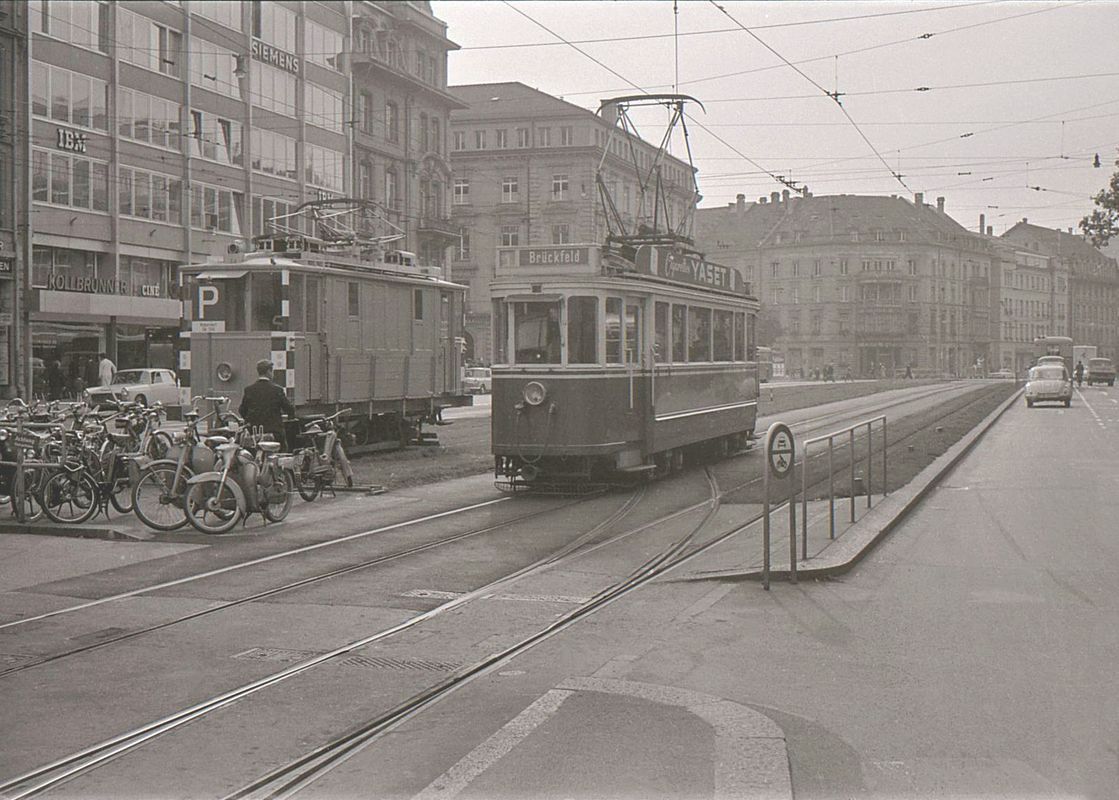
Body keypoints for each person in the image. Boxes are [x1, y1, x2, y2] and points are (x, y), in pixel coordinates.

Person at [239, 359, 295, 449]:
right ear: (269, 371)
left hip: (255, 433)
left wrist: (252, 420)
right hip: (274, 433)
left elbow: (242, 410)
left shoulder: (249, 390)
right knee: (283, 452)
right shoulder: (277, 390)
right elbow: (289, 409)